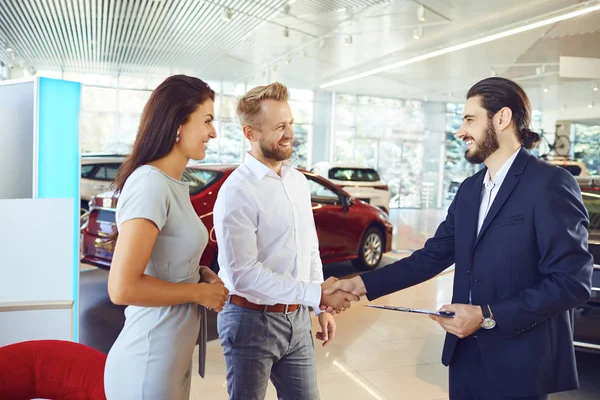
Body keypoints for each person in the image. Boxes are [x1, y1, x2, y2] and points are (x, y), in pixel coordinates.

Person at [325, 77, 594, 400]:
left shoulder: (549, 184)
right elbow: (432, 256)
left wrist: (486, 315)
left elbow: (572, 284)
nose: (460, 131)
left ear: (502, 118)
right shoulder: (469, 190)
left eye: (469, 119)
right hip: (464, 358)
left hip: (520, 364)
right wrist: (358, 285)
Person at [213, 82, 357, 400]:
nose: (290, 134)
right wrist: (314, 293)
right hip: (250, 320)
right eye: (279, 127)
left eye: (291, 124)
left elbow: (309, 248)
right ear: (250, 133)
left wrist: (319, 305)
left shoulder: (297, 181)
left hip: (298, 319)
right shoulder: (237, 191)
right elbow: (243, 274)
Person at [104, 75, 229, 400]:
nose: (213, 132)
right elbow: (122, 288)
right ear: (177, 123)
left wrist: (196, 274)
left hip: (170, 357)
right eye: (207, 121)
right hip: (148, 361)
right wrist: (198, 293)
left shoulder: (171, 183)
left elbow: (164, 261)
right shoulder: (151, 184)